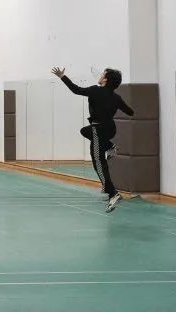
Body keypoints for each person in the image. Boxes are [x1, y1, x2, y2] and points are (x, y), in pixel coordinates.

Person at [52, 66, 134, 212]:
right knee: (86, 135)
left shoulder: (95, 90)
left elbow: (76, 90)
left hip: (98, 129)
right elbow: (130, 112)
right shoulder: (116, 97)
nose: (100, 75)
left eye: (103, 74)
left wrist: (62, 77)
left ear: (105, 79)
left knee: (98, 162)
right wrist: (114, 104)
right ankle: (110, 147)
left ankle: (113, 193)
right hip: (110, 129)